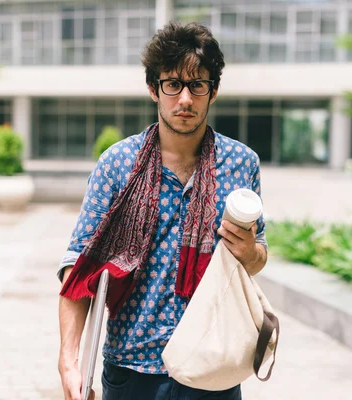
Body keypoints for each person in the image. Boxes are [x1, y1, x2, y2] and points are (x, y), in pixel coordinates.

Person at [57, 21, 268, 400]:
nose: (184, 99)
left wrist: (250, 251)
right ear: (154, 89)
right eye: (172, 84)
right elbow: (80, 266)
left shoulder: (241, 163)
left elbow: (256, 256)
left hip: (213, 367)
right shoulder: (118, 163)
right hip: (131, 368)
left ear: (213, 91)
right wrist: (69, 361)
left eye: (197, 85)